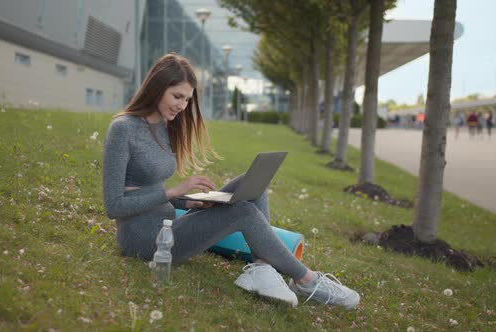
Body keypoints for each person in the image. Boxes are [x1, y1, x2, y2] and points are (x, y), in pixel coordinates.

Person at [102, 53, 360, 309]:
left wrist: (190, 202)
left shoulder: (164, 126)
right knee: (243, 211)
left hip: (170, 224)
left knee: (251, 184)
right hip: (145, 239)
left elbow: (154, 188)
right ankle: (307, 280)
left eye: (187, 99)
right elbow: (114, 206)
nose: (182, 106)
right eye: (177, 96)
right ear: (157, 88)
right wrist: (173, 192)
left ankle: (261, 269)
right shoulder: (123, 129)